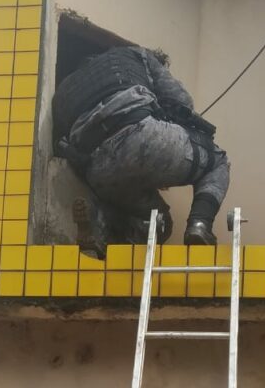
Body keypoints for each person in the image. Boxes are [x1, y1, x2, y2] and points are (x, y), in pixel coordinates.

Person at [52, 45, 230, 259]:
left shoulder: (63, 90)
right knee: (218, 161)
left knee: (159, 221)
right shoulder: (137, 54)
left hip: (99, 169)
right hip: (142, 134)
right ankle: (199, 225)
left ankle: (99, 225)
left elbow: (62, 145)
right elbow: (182, 101)